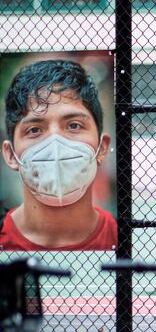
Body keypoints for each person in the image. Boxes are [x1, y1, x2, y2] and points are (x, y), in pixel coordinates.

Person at [0, 59, 117, 250]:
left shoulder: (127, 240)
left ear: (102, 148)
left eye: (74, 125)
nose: (55, 143)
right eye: (35, 129)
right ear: (11, 155)